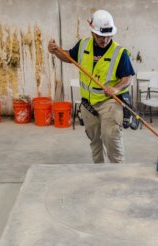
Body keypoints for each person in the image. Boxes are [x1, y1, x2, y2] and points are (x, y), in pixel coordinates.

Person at [48, 9, 135, 164]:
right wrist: (56, 52)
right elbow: (69, 57)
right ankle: (99, 173)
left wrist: (115, 89)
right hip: (88, 104)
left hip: (109, 102)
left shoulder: (119, 52)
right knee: (94, 141)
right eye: (101, 36)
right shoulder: (83, 45)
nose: (105, 39)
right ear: (93, 32)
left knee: (110, 137)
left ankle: (118, 172)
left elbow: (128, 78)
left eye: (108, 35)